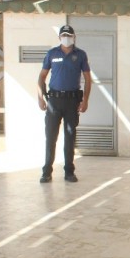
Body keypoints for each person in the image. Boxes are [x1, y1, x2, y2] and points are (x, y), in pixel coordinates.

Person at [37, 25, 91, 183]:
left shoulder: (80, 55)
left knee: (69, 136)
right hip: (54, 101)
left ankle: (69, 172)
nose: (66, 37)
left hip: (72, 101)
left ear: (74, 37)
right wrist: (40, 97)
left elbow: (88, 79)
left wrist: (85, 100)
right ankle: (46, 171)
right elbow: (41, 77)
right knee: (51, 137)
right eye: (64, 35)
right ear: (60, 37)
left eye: (69, 35)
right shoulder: (52, 53)